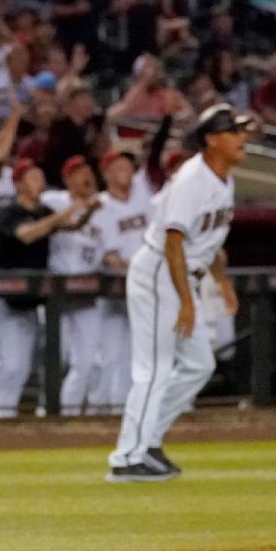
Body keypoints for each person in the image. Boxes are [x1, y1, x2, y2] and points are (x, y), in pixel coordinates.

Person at [107, 105, 246, 482]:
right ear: (212, 139)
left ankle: (147, 440)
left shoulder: (223, 178)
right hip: (159, 274)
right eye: (233, 132)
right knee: (154, 368)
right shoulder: (192, 180)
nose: (242, 138)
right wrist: (186, 301)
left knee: (200, 363)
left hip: (182, 276)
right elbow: (174, 242)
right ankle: (126, 458)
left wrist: (221, 281)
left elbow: (208, 240)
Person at [0, 159, 87, 418]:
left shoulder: (43, 210)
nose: (39, 182)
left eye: (40, 177)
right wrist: (63, 214)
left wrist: (89, 210)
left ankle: (4, 415)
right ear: (18, 183)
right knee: (11, 365)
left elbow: (71, 225)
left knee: (20, 367)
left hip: (30, 302)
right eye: (33, 177)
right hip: (4, 299)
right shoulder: (9, 212)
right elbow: (27, 234)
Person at [40, 155, 105, 416]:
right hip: (57, 292)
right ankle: (50, 408)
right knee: (59, 357)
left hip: (88, 293)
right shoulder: (52, 201)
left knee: (87, 360)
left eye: (87, 170)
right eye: (77, 172)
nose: (85, 176)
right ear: (67, 179)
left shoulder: (105, 208)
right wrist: (76, 208)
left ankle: (67, 412)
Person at [94, 149, 154, 414]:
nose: (125, 172)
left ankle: (130, 409)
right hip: (112, 291)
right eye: (118, 167)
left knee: (140, 354)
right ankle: (104, 411)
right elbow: (111, 258)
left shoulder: (142, 201)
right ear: (106, 173)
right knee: (110, 355)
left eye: (128, 167)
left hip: (142, 289)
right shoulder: (101, 206)